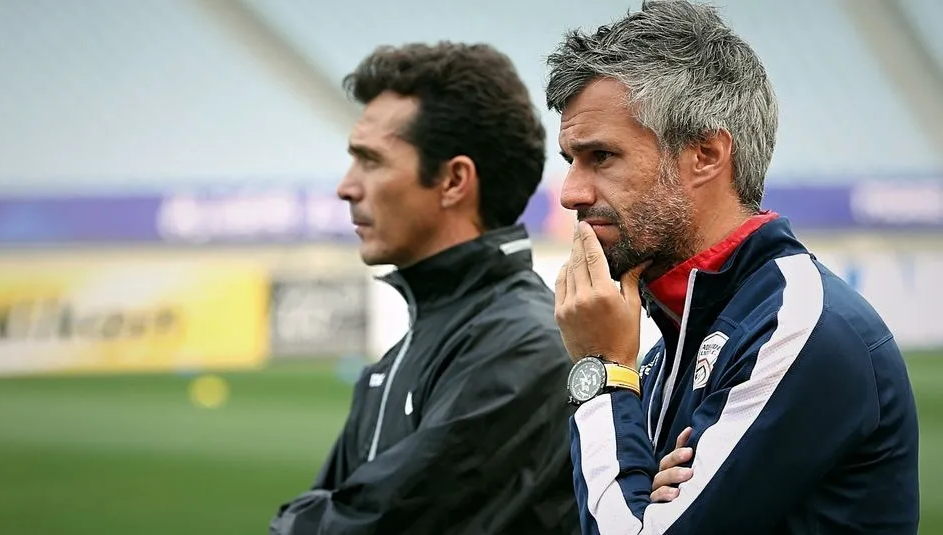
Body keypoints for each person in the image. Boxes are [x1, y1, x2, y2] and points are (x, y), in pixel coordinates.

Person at [545, 1, 920, 534]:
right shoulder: (666, 345)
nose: (571, 193)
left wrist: (602, 371)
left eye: (601, 156)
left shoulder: (797, 326)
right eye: (571, 161)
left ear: (705, 154)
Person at [269, 41, 579, 535]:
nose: (346, 187)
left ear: (454, 180)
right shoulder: (399, 357)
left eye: (371, 161)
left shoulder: (523, 345)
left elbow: (370, 526)